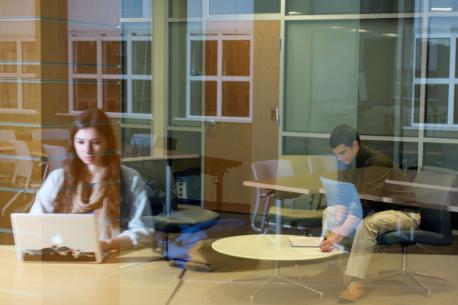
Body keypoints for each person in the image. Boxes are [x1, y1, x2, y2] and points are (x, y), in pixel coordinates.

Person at [319, 124, 420, 302]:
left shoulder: (376, 163)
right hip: (377, 211)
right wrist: (336, 228)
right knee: (330, 212)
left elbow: (361, 208)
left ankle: (356, 283)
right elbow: (345, 199)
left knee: (368, 224)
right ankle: (333, 268)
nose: (339, 158)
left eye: (342, 153)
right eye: (336, 154)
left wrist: (338, 235)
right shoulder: (348, 162)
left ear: (355, 146)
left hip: (405, 214)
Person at [30, 108, 153, 252]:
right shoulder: (58, 178)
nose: (87, 150)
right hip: (64, 257)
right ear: (73, 143)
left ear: (108, 142)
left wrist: (108, 244)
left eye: (95, 142)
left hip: (113, 260)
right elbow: (34, 223)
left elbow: (144, 232)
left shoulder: (129, 178)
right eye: (80, 142)